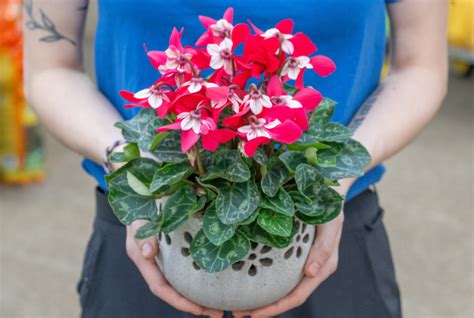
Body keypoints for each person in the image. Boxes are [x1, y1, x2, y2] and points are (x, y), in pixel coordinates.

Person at [24, 0, 448, 317]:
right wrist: (131, 161)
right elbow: (50, 68)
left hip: (329, 227)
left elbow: (420, 67)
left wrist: (333, 178)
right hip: (148, 232)